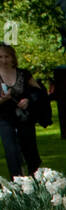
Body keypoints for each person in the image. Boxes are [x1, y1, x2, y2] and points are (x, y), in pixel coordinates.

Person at [0, 42, 44, 179]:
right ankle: (18, 183)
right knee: (11, 152)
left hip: (24, 118)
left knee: (31, 152)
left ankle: (37, 181)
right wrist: (3, 100)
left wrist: (28, 100)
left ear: (12, 57)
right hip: (4, 119)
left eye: (6, 56)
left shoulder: (23, 74)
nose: (4, 60)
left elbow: (39, 91)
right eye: (0, 57)